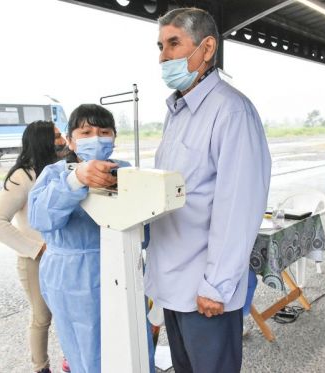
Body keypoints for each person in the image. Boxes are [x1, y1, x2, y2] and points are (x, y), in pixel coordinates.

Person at [145, 7, 271, 373]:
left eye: (173, 44)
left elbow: (238, 207)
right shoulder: (177, 112)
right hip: (172, 283)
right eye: (160, 46)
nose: (163, 56)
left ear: (207, 47)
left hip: (205, 290)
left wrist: (216, 286)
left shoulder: (231, 111)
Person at [28, 104, 130, 373]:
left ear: (114, 138)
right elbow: (40, 218)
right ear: (71, 140)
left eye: (104, 131)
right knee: (87, 352)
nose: (96, 137)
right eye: (85, 131)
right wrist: (75, 180)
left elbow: (147, 227)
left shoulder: (126, 171)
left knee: (129, 344)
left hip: (122, 267)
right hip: (72, 279)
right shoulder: (55, 174)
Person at [0, 120, 66, 373]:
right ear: (42, 141)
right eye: (56, 136)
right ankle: (40, 367)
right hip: (36, 262)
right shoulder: (22, 176)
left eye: (62, 134)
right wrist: (38, 249)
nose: (62, 140)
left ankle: (73, 360)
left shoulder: (61, 168)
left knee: (68, 313)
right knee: (42, 318)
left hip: (64, 258)